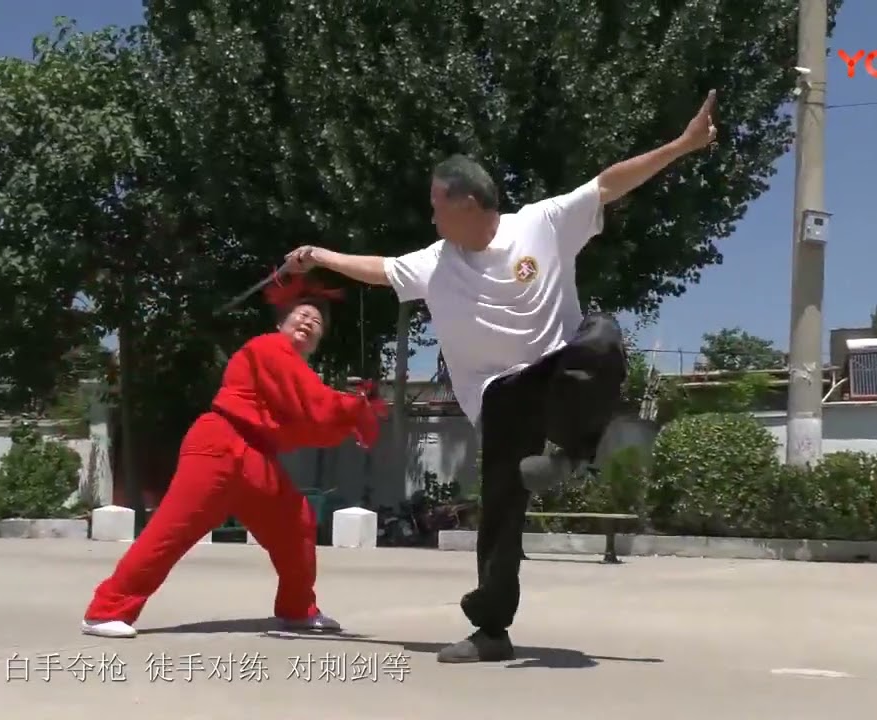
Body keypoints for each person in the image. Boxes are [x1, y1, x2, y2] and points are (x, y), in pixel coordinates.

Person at [283, 91, 719, 663]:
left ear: (467, 203)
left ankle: (571, 453)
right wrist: (317, 254)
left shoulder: (542, 223)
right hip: (497, 398)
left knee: (604, 336)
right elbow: (379, 271)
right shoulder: (434, 262)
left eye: (437, 206)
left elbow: (609, 184)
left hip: (557, 373)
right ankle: (491, 630)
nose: (432, 217)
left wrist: (683, 146)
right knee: (502, 510)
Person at [81, 273, 387, 639]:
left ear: (319, 340)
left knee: (297, 525)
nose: (308, 321)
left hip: (258, 457)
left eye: (317, 321)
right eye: (300, 315)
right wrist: (354, 411)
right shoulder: (267, 348)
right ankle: (105, 611)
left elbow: (307, 419)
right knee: (171, 531)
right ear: (280, 323)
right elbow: (314, 406)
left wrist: (352, 414)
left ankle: (297, 608)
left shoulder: (296, 370)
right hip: (218, 445)